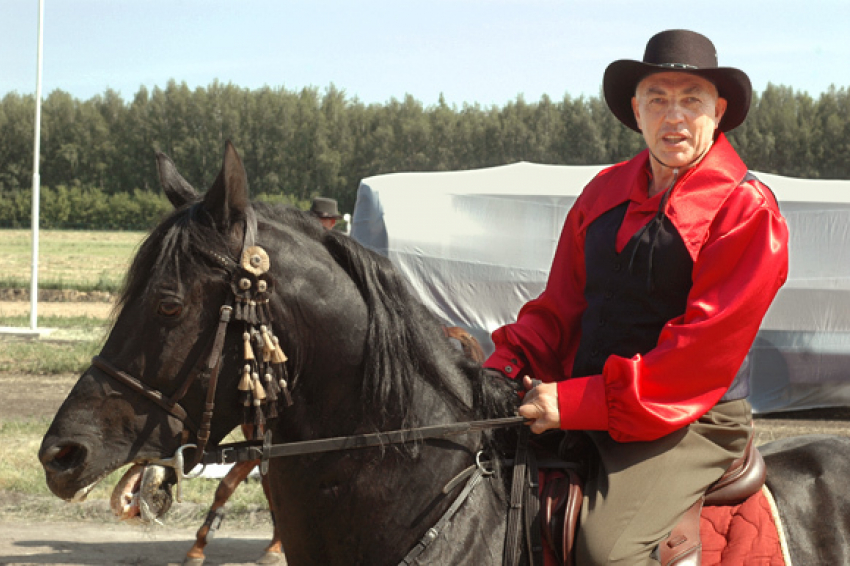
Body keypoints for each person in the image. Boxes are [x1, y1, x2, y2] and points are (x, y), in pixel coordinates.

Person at [485, 29, 789, 565]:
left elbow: (693, 363)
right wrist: (502, 368)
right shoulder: (600, 193)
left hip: (692, 419)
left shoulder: (747, 211)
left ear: (717, 112)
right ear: (635, 109)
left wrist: (574, 403)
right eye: (658, 98)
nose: (674, 117)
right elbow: (557, 311)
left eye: (691, 100)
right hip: (584, 401)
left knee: (609, 551)